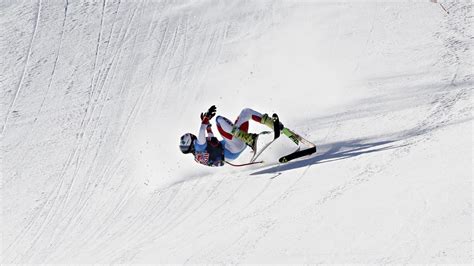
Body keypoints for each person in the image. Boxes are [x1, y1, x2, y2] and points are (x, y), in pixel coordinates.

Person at [179, 106, 280, 167]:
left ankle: (274, 126)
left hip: (235, 148)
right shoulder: (198, 146)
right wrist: (206, 118)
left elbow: (211, 139)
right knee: (219, 120)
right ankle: (249, 139)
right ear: (192, 141)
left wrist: (208, 125)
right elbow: (201, 130)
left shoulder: (197, 155)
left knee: (246, 112)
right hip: (233, 147)